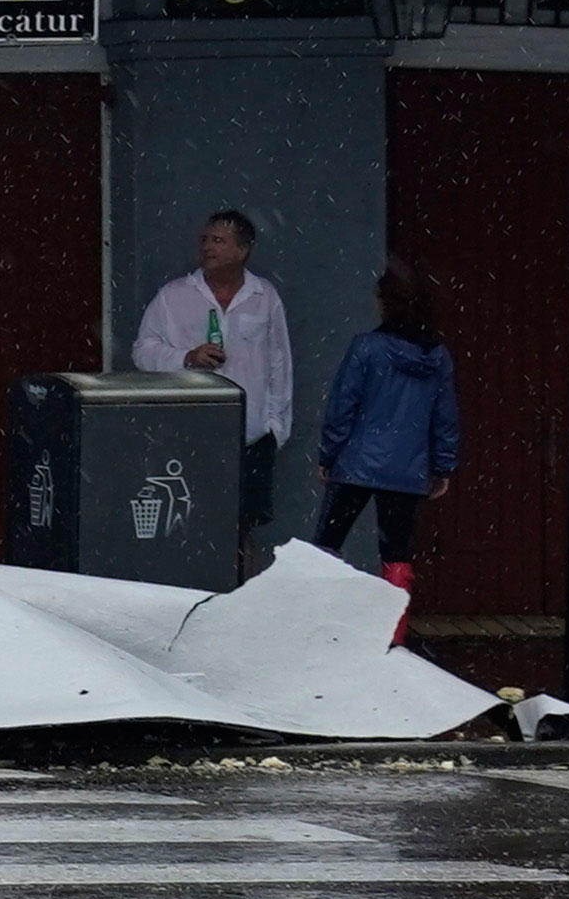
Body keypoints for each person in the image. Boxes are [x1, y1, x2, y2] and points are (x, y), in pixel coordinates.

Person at [133, 208, 293, 526]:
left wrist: (275, 427)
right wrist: (186, 358)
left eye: (219, 240)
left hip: (251, 435)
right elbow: (142, 352)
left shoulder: (265, 296)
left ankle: (245, 578)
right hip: (192, 434)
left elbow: (280, 363)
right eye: (204, 239)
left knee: (244, 526)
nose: (208, 247)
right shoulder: (174, 296)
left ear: (243, 250)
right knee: (193, 522)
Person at [315, 256, 460, 607]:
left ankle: (314, 612)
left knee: (326, 545)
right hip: (408, 468)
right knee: (396, 553)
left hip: (357, 462)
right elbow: (445, 416)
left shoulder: (367, 347)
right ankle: (393, 630)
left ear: (384, 302)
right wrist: (443, 465)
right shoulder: (437, 357)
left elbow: (342, 406)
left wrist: (328, 454)